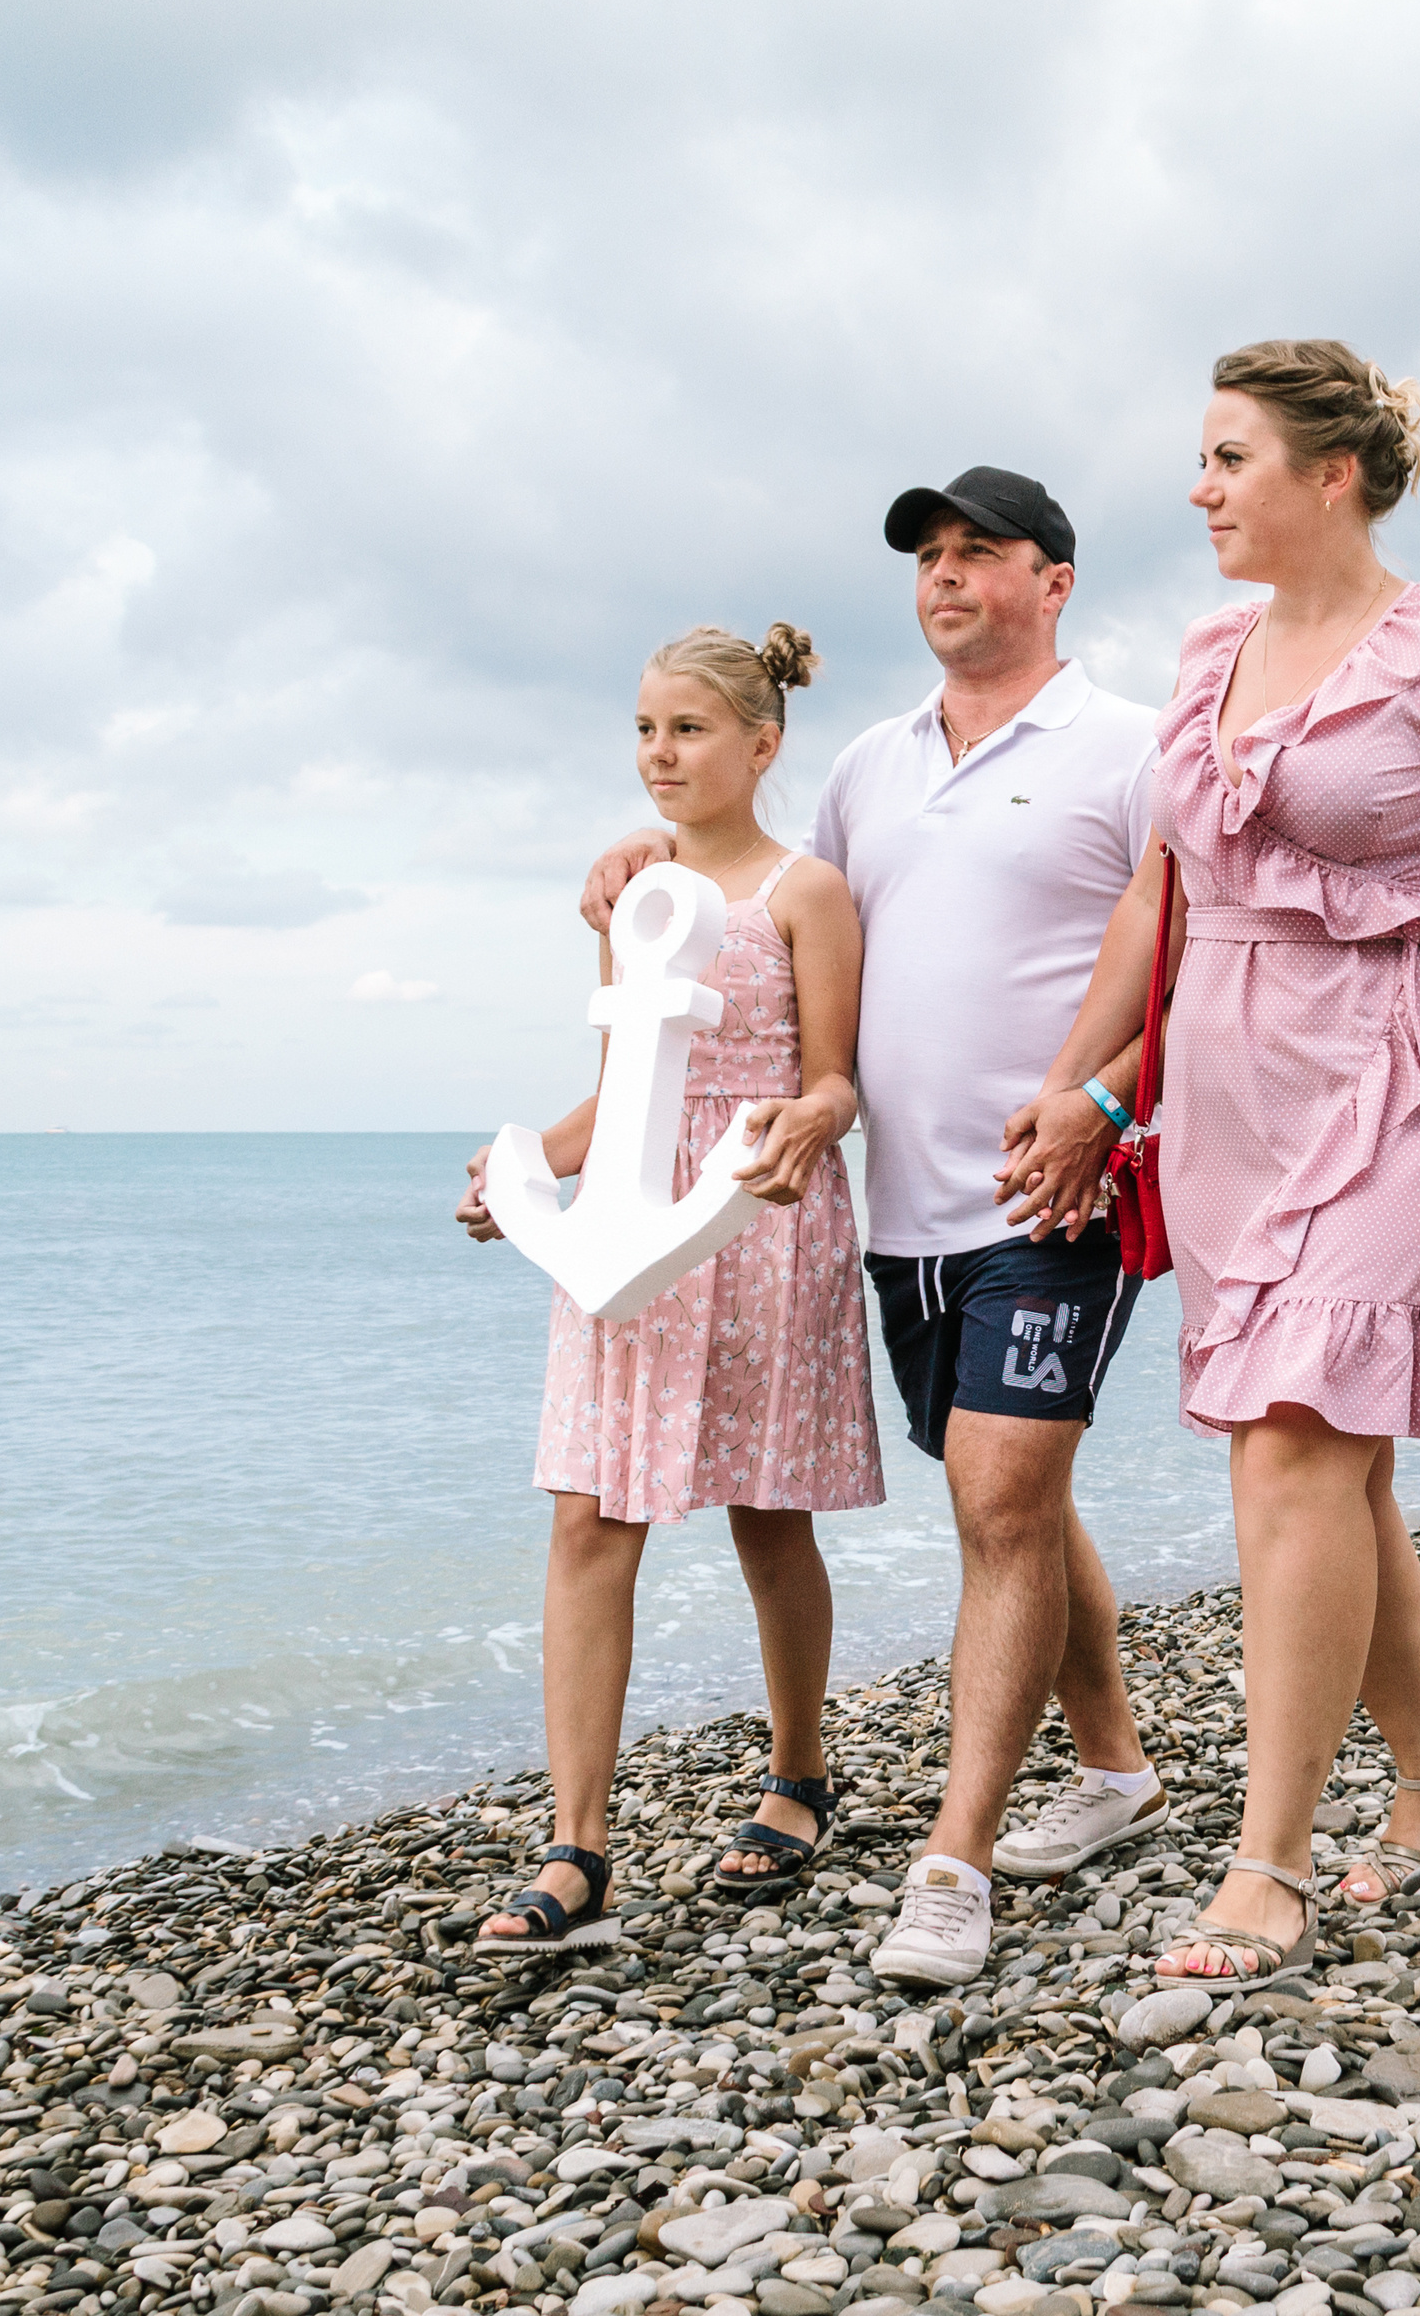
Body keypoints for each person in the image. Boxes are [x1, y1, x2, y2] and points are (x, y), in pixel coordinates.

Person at [1005, 341, 1420, 1982]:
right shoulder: (1207, 655)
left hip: (1402, 1071)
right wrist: (1085, 1090)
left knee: (1297, 1444)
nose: (1200, 490)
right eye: (1201, 459)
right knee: (1324, 1454)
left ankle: (1272, 1862)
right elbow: (1158, 899)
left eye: (1229, 459)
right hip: (1228, 1087)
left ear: (1334, 474)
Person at [582, 469, 1166, 1989]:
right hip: (899, 1214)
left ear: (1056, 582)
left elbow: (1196, 957)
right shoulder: (866, 768)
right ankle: (1117, 1769)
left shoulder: (1131, 746)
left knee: (1005, 1500)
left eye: (981, 553)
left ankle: (952, 1866)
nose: (946, 576)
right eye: (929, 558)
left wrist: (1104, 1105)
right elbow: (767, 905)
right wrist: (644, 859)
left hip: (1060, 1190)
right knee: (1003, 1493)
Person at [457, 623, 886, 1948]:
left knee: (769, 1514)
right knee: (589, 1519)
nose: (660, 753)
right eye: (645, 729)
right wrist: (521, 1171)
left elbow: (838, 1081)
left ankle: (799, 1775)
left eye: (688, 729)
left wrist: (810, 1122)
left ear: (763, 744)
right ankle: (576, 1848)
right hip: (628, 1230)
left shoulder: (807, 892)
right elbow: (622, 1091)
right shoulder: (632, 893)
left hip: (757, 1219)